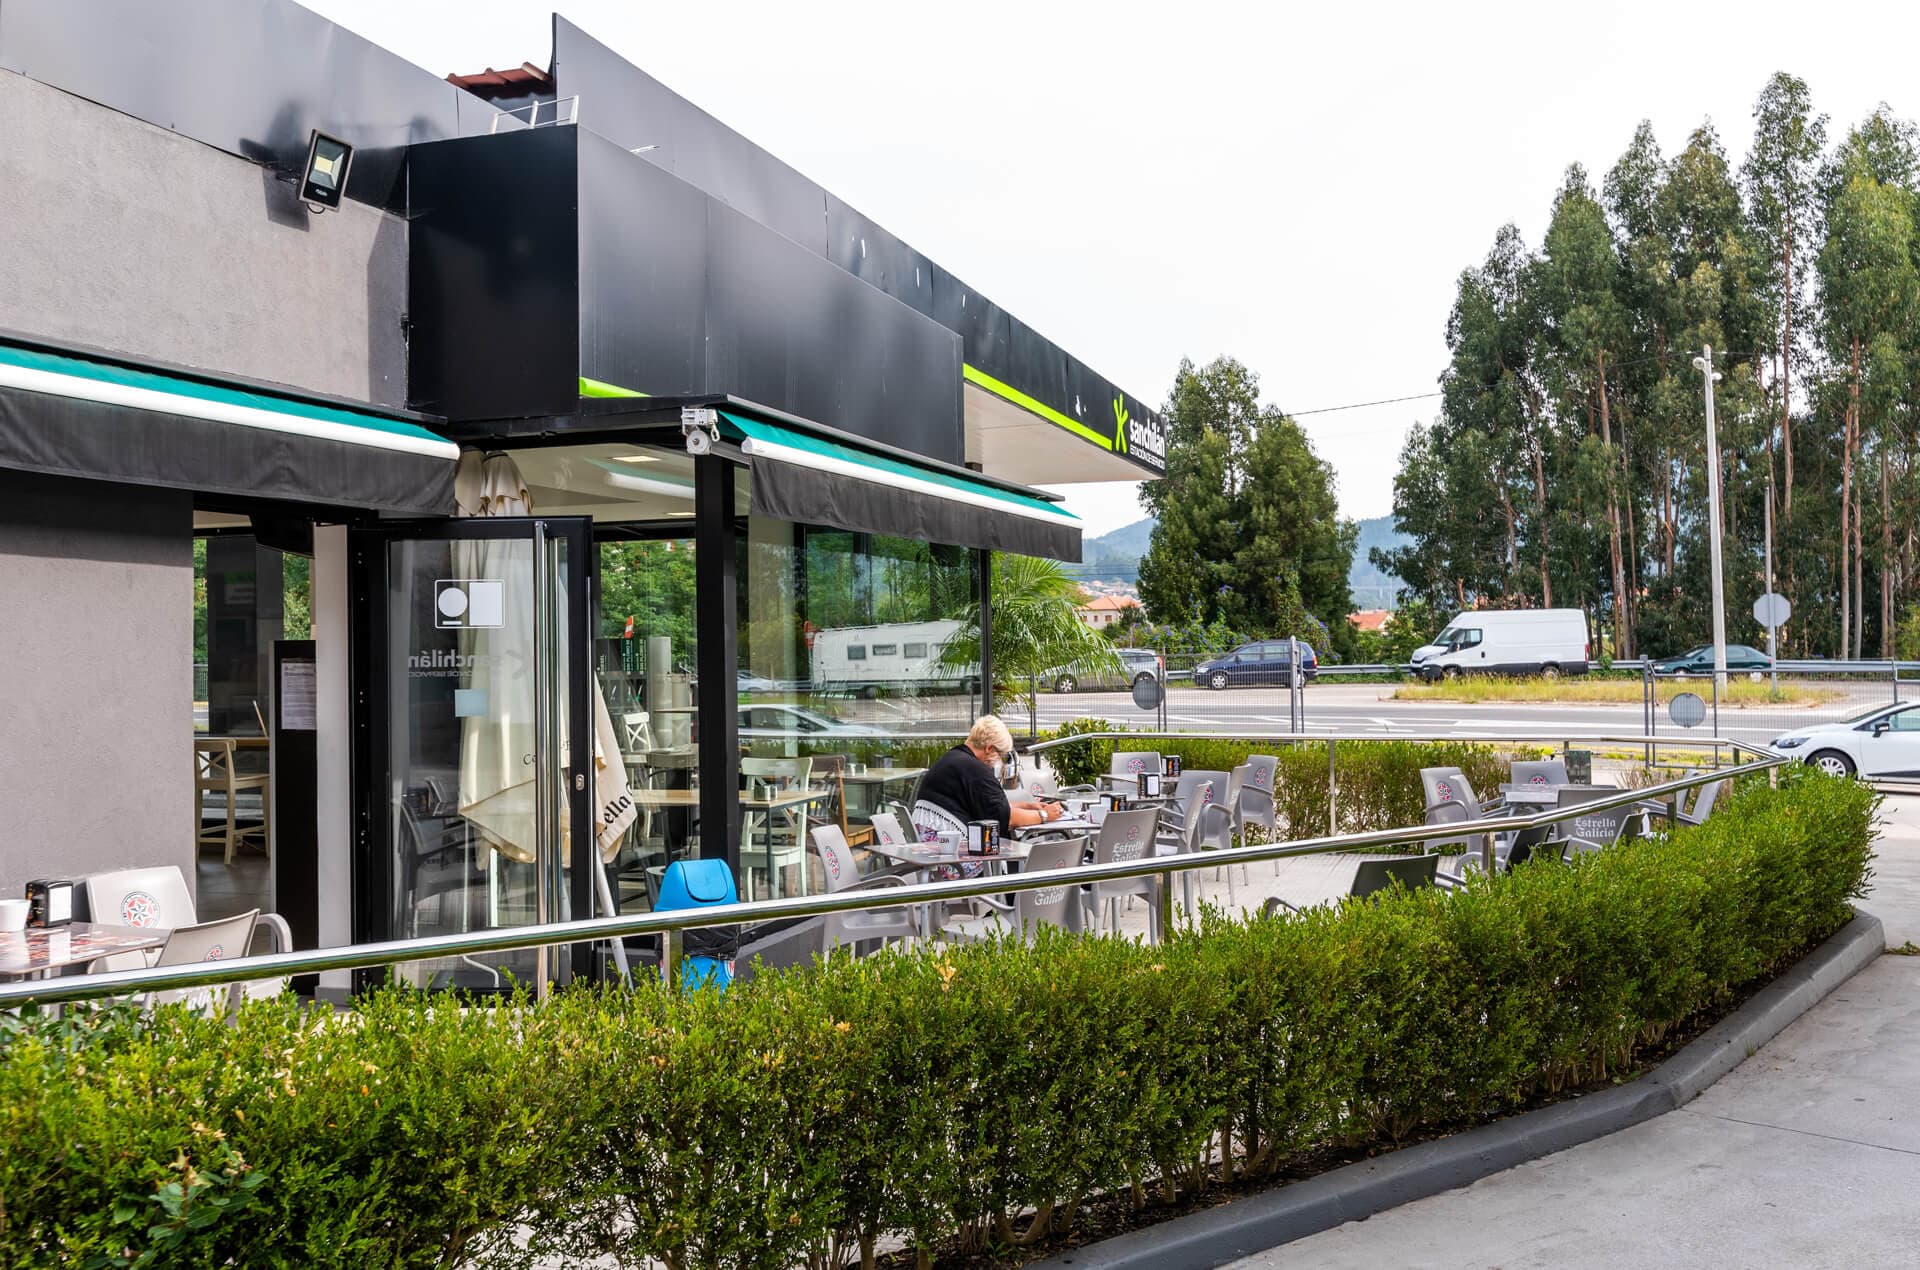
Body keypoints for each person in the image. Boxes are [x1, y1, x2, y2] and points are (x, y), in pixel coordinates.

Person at [911, 716, 1062, 854]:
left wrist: (1030, 806)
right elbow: (1005, 818)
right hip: (953, 858)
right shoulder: (975, 770)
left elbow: (992, 805)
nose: (1000, 761)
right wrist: (1045, 815)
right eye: (1001, 755)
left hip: (933, 852)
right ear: (989, 749)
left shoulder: (955, 760)